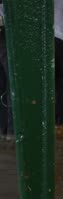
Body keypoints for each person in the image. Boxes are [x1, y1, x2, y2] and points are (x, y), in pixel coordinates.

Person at [0, 0, 14, 141]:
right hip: (5, 31)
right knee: (12, 83)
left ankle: (4, 128)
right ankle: (11, 130)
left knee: (4, 83)